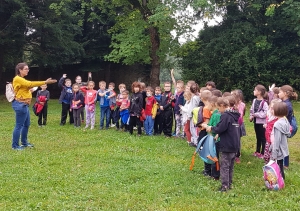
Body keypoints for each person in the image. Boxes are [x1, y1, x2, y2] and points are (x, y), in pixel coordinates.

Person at [11, 62, 57, 150]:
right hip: (20, 105)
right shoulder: (17, 78)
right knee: (19, 125)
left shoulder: (21, 79)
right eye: (26, 69)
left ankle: (24, 143)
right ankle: (15, 146)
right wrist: (45, 82)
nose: (28, 70)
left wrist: (29, 90)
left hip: (24, 104)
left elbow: (25, 89)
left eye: (28, 68)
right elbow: (29, 84)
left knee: (26, 124)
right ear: (20, 70)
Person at [202, 97, 240, 192]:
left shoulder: (226, 115)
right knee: (230, 166)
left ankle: (224, 187)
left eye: (219, 108)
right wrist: (218, 133)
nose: (219, 110)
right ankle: (229, 183)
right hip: (234, 144)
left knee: (224, 166)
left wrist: (210, 127)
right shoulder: (234, 115)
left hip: (227, 145)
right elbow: (227, 128)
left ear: (222, 106)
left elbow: (219, 128)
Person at [278, 85, 298, 169]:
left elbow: (282, 117)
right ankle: (283, 163)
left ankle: (285, 165)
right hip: (283, 127)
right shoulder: (284, 103)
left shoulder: (287, 105)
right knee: (282, 145)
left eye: (280, 92)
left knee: (283, 145)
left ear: (285, 93)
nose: (278, 93)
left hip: (284, 128)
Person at [269, 102, 290, 180]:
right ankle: (282, 180)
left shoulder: (277, 124)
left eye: (273, 109)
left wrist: (274, 153)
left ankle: (279, 182)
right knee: (280, 166)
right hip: (283, 149)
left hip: (278, 150)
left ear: (278, 111)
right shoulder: (285, 121)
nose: (271, 111)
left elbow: (277, 140)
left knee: (278, 167)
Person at [249, 84, 269, 159]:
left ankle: (263, 153)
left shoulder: (264, 102)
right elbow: (251, 110)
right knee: (258, 137)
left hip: (262, 123)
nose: (253, 91)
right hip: (256, 122)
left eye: (255, 90)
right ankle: (257, 151)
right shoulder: (254, 100)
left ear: (259, 92)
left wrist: (256, 115)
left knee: (263, 138)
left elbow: (266, 113)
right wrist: (251, 116)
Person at [197, 90, 213, 176]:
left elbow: (207, 121)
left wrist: (201, 126)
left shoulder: (206, 108)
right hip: (208, 131)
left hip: (205, 132)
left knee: (204, 150)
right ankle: (208, 169)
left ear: (202, 98)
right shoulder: (210, 108)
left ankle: (207, 170)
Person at [207, 96, 221, 180]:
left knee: (214, 156)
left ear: (212, 104)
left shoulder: (215, 115)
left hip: (215, 139)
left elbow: (212, 126)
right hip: (219, 139)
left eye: (208, 104)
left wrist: (207, 126)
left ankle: (215, 175)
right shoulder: (219, 113)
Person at [263, 98, 281, 164]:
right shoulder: (269, 115)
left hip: (274, 142)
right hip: (268, 139)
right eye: (271, 107)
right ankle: (267, 169)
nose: (271, 109)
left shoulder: (279, 119)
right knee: (266, 155)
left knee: (273, 157)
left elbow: (288, 128)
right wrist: (266, 125)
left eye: (273, 108)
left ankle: (273, 170)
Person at [231, 90, 246, 164]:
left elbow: (239, 115)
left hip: (238, 124)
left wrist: (235, 108)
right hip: (231, 125)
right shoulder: (231, 105)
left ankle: (237, 155)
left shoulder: (241, 105)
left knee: (237, 140)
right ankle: (232, 153)